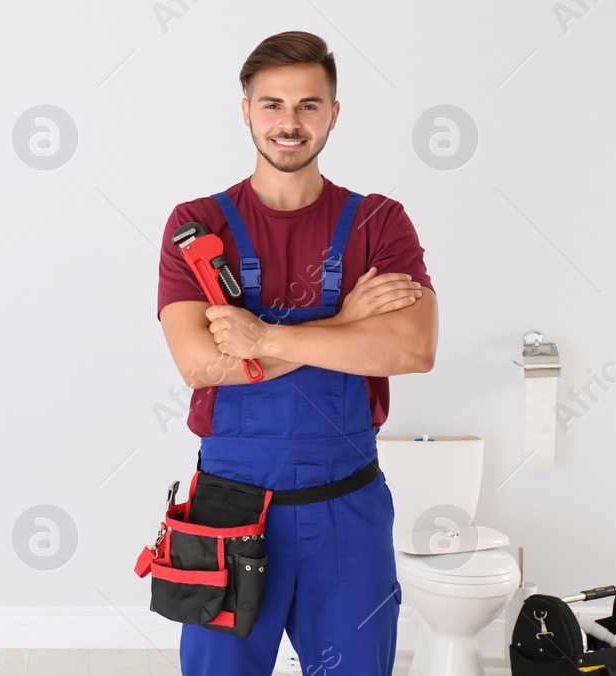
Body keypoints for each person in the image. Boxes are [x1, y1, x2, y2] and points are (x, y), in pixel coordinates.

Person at [155, 31, 439, 675]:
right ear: (246, 110)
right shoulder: (196, 225)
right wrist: (345, 323)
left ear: (334, 113)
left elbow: (414, 348)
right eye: (272, 104)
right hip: (226, 514)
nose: (290, 123)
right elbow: (200, 365)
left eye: (309, 105)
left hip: (347, 513)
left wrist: (263, 340)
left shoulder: (379, 223)